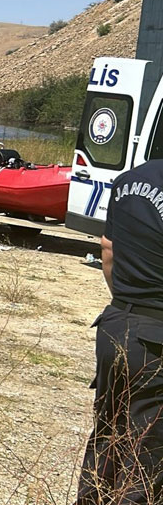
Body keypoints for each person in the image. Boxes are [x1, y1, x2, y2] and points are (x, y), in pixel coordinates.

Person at [78, 159, 163, 504]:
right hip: (156, 334)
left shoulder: (130, 180)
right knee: (147, 452)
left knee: (107, 435)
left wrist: (125, 300)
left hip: (115, 324)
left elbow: (107, 247)